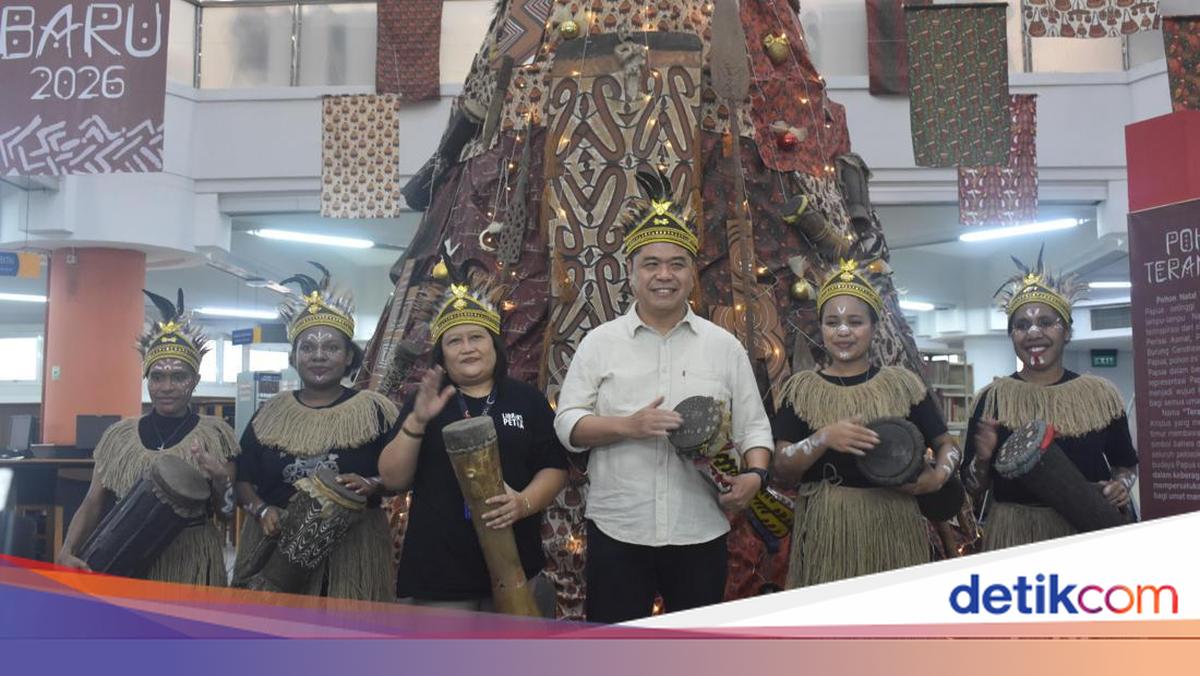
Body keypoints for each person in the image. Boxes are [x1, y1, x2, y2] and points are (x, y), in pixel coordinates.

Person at [554, 170, 773, 623]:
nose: (664, 275)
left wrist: (755, 476)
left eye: (677, 264)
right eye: (651, 264)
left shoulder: (724, 346)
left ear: (692, 274)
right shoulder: (600, 343)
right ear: (631, 274)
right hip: (618, 529)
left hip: (699, 529)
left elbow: (754, 427)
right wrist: (628, 426)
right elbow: (567, 423)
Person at [379, 259, 568, 614]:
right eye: (455, 341)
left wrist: (523, 503)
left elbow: (554, 468)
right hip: (440, 570)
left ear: (494, 345)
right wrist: (418, 420)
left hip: (515, 566)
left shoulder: (526, 399)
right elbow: (392, 479)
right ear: (442, 354)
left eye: (476, 337)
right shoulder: (425, 400)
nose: (467, 348)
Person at [771, 259, 960, 588]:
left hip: (894, 528)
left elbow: (947, 444)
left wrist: (937, 477)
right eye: (832, 322)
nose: (843, 331)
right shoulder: (801, 390)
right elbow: (782, 465)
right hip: (828, 530)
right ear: (821, 328)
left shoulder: (902, 385)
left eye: (855, 322)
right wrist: (823, 438)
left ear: (874, 326)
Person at [231, 262, 397, 601]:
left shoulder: (375, 410)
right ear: (294, 357)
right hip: (275, 552)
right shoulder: (269, 413)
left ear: (349, 356)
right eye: (307, 348)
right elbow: (243, 479)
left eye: (331, 348)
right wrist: (261, 510)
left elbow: (401, 474)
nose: (318, 356)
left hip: (353, 553)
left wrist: (374, 483)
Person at [58, 290, 238, 585]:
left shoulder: (216, 435)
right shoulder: (119, 438)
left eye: (178, 377)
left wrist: (220, 479)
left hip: (191, 562)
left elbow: (227, 514)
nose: (167, 386)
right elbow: (92, 502)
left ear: (195, 380)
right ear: (147, 379)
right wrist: (67, 549)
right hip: (126, 555)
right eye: (157, 377)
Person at [962, 249, 1138, 550]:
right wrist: (982, 458)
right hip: (1014, 536)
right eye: (1021, 325)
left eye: (1046, 322)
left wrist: (1120, 486)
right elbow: (973, 488)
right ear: (1012, 335)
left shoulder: (1100, 396)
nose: (1033, 332)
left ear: (1066, 331)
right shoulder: (992, 399)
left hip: (1086, 531)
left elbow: (1126, 466)